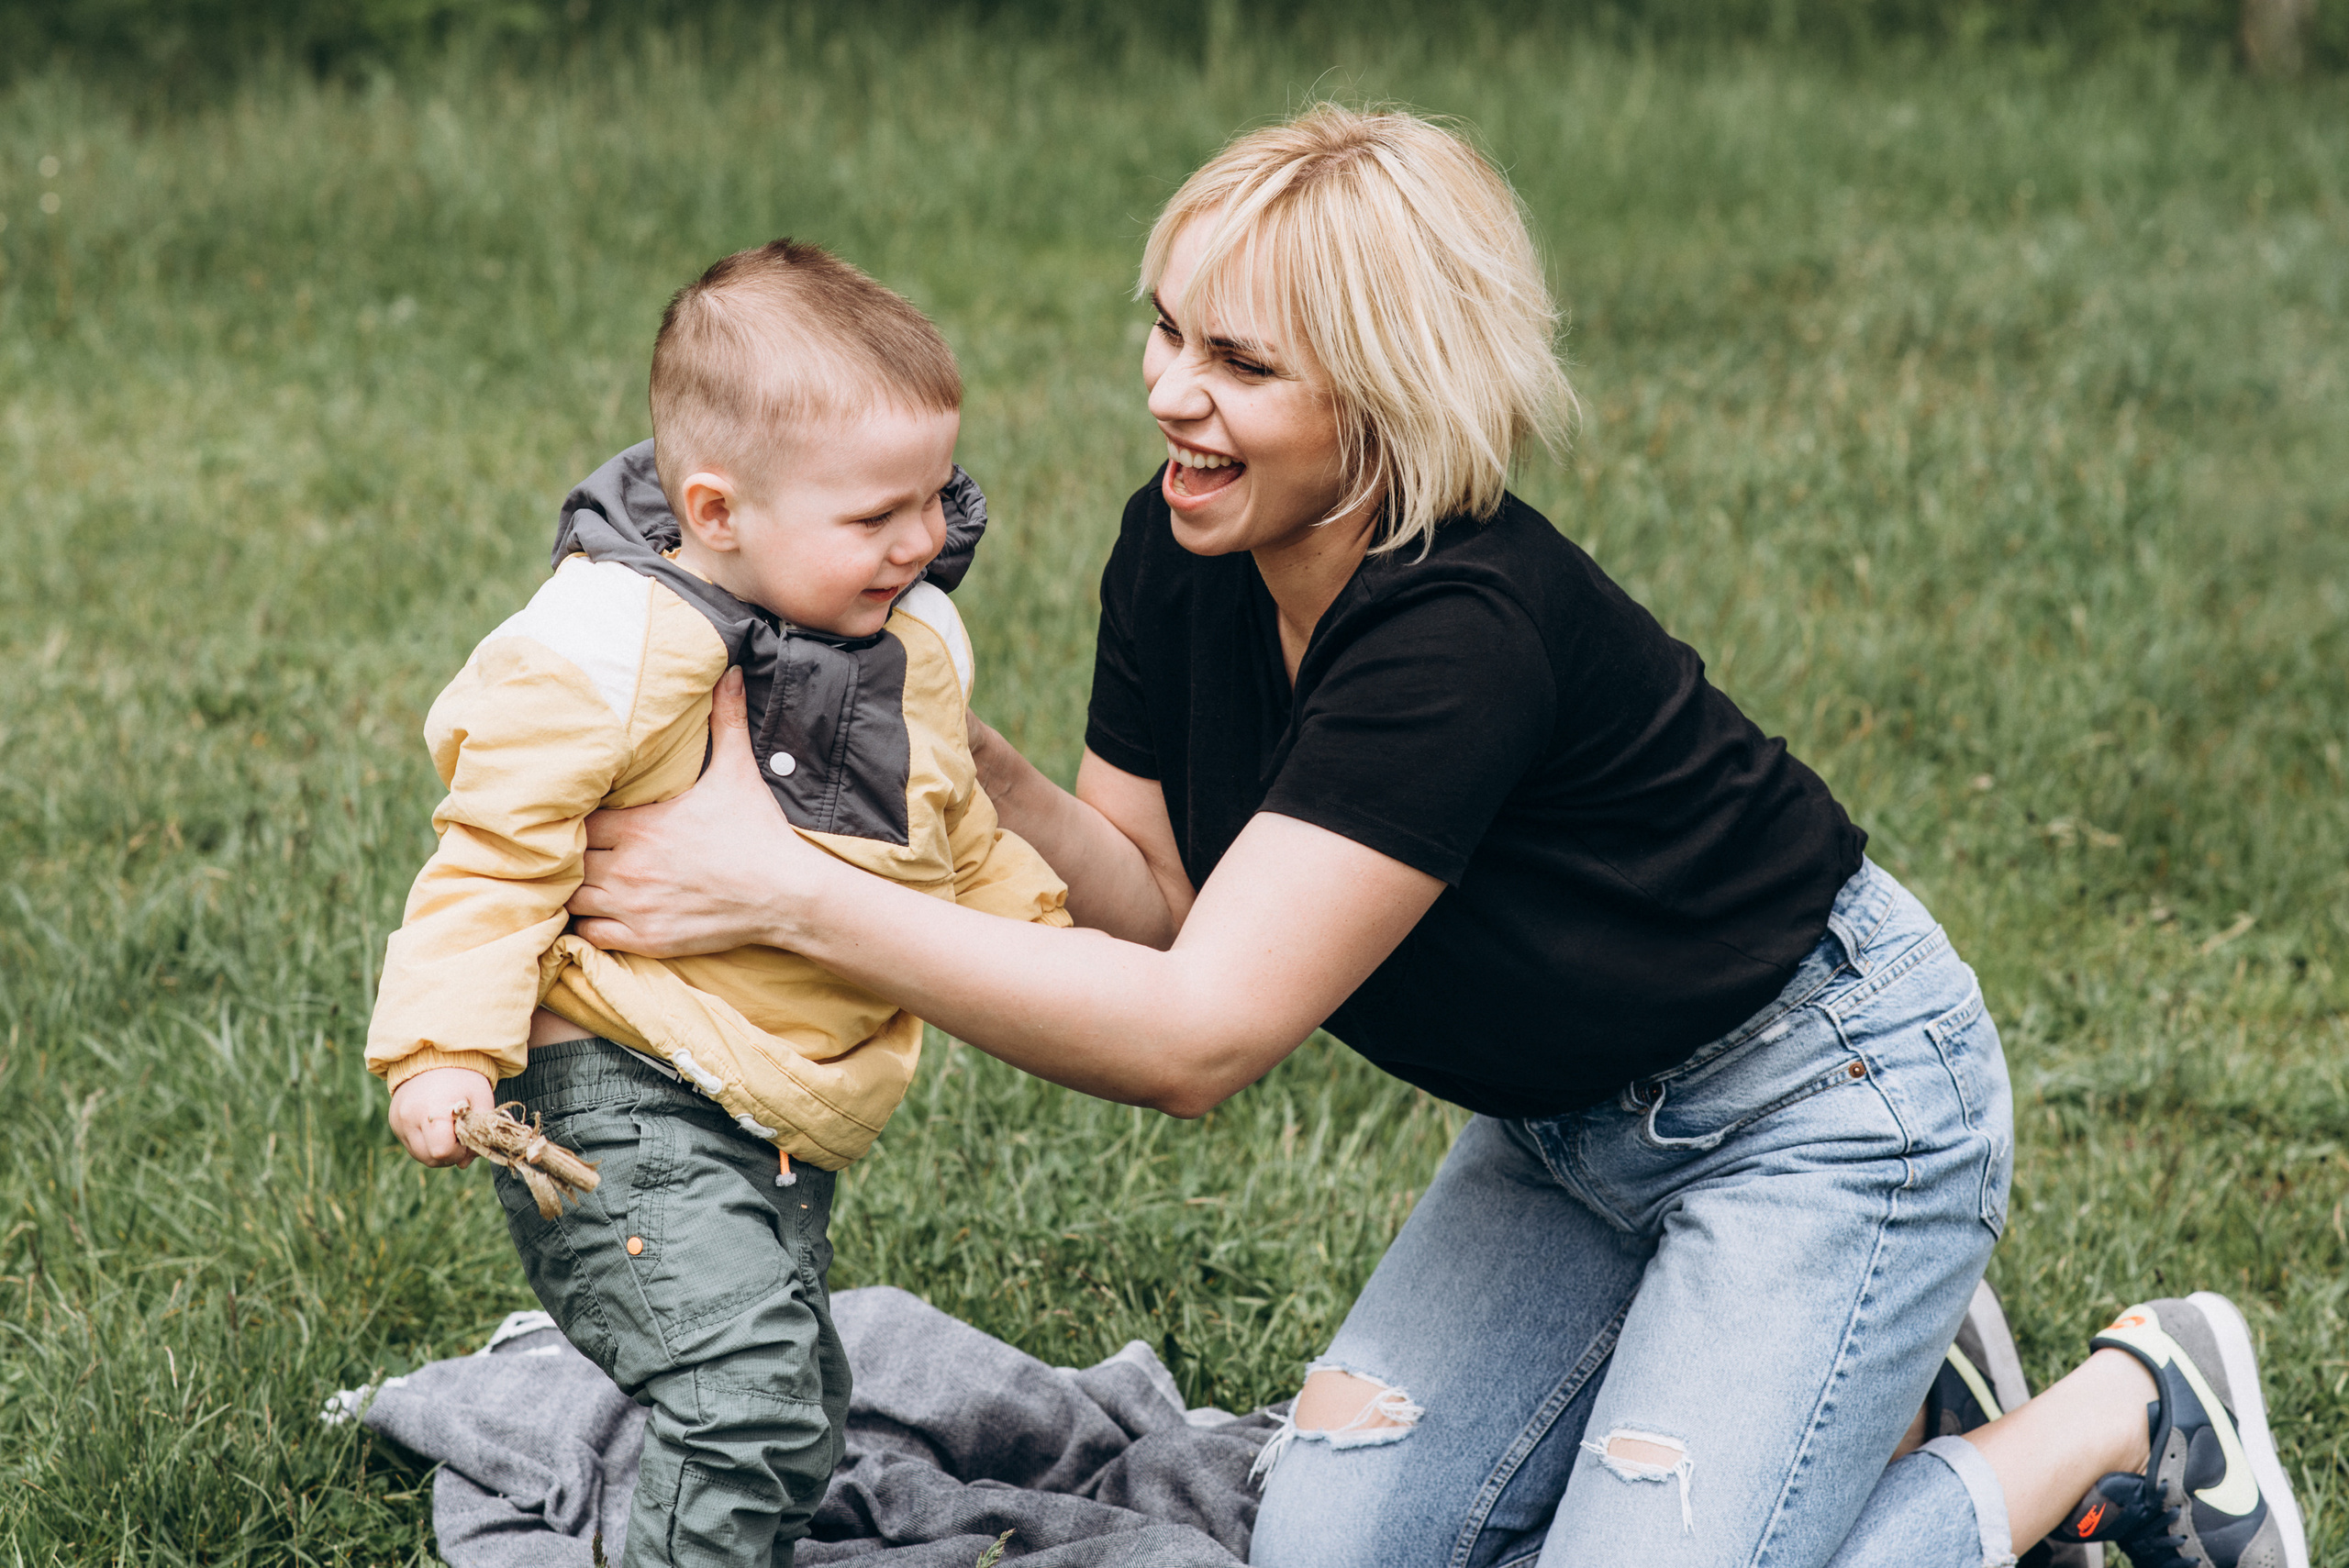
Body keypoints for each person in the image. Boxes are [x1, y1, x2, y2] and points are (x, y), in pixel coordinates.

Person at [559, 109, 2309, 1568]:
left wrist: (781, 891)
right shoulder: (1182, 544)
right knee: (1324, 1553)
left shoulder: (1460, 632)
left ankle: (2131, 1408)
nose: (1171, 391)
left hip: (1829, 1107)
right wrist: (971, 765)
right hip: (1566, 1135)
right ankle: (1884, 1381)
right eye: (1168, 328)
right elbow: (1156, 910)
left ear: (1385, 396)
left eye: (1242, 363)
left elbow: (1197, 1039)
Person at [365, 239, 1071, 1568]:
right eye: (878, 515)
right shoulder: (612, 648)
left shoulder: (907, 638)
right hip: (618, 1086)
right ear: (717, 508)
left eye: (939, 495)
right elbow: (494, 850)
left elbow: (950, 828)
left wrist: (1050, 952)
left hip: (776, 1111)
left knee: (795, 1416)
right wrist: (443, 1047)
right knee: (740, 1400)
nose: (924, 540)